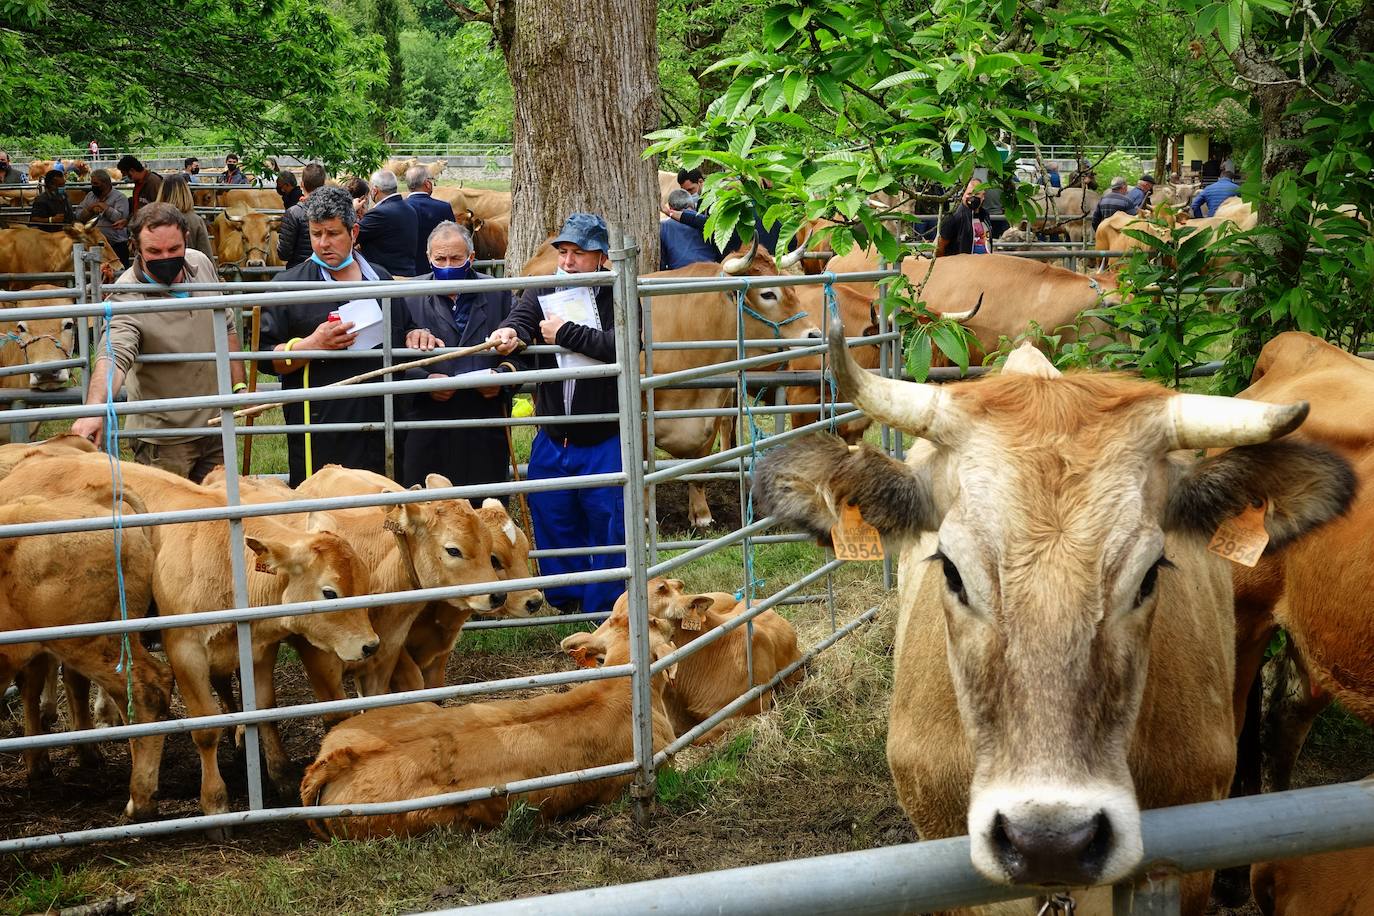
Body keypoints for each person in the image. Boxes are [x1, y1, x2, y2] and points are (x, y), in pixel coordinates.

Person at [487, 213, 625, 615]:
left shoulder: (616, 291)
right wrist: (510, 332)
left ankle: (605, 606)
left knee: (607, 521)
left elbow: (621, 343)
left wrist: (564, 334)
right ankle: (566, 599)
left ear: (601, 257)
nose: (567, 260)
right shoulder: (545, 288)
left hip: (602, 435)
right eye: (563, 252)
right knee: (553, 516)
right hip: (552, 432)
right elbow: (523, 317)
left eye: (578, 254)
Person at [259, 186, 435, 486]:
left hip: (382, 421)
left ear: (354, 231)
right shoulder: (287, 286)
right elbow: (263, 358)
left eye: (332, 233)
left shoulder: (381, 278)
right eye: (316, 234)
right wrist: (311, 345)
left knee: (383, 509)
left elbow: (404, 328)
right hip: (322, 426)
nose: (323, 243)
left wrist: (418, 332)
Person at [69, 203, 246, 482]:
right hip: (164, 439)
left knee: (222, 515)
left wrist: (239, 385)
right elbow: (113, 355)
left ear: (185, 239)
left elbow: (224, 321)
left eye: (173, 250)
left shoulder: (200, 264)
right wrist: (95, 410)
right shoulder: (128, 298)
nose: (166, 257)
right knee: (169, 522)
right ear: (136, 248)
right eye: (154, 251)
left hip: (216, 424)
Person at [400, 221, 528, 490]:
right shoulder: (407, 297)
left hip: (484, 421)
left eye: (456, 259)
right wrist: (424, 381)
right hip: (427, 423)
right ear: (428, 258)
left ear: (471, 258)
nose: (447, 265)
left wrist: (502, 377)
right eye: (440, 259)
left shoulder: (499, 293)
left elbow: (524, 350)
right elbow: (394, 360)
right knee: (428, 510)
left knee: (484, 506)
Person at [356, 169, 418, 278]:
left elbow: (348, 237)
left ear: (374, 190)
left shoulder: (378, 214)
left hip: (386, 279)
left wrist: (351, 210)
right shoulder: (409, 208)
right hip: (408, 275)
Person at [404, 165, 456, 276]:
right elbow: (454, 237)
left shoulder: (398, 209)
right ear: (427, 183)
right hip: (437, 270)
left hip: (406, 274)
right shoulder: (444, 207)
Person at [75, 169, 132, 266]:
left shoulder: (120, 197)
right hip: (94, 246)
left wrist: (105, 208)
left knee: (119, 272)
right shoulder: (90, 196)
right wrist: (90, 209)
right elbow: (79, 215)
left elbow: (121, 219)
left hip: (116, 246)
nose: (93, 186)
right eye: (92, 183)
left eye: (96, 183)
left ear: (106, 183)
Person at [155, 173, 214, 261]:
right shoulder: (195, 220)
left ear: (162, 192)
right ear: (186, 193)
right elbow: (206, 256)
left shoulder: (153, 219)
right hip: (191, 270)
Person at [278, 162, 326, 268]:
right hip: (327, 270)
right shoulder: (333, 210)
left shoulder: (293, 213)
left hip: (298, 272)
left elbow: (284, 254)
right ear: (324, 184)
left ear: (302, 184)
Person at [659, 188, 721, 269]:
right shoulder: (705, 221)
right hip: (711, 273)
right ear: (693, 205)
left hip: (679, 276)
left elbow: (662, 262)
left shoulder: (663, 226)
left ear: (670, 207)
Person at [936, 181, 994, 256]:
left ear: (983, 196)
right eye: (969, 194)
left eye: (976, 194)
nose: (973, 197)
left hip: (984, 264)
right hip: (961, 265)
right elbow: (939, 247)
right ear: (963, 195)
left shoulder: (985, 215)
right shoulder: (953, 217)